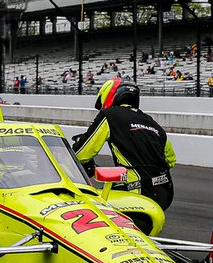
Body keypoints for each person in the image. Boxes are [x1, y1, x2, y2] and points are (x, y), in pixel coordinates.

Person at [72, 78, 177, 210]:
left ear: (108, 95)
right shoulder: (151, 121)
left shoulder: (108, 115)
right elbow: (171, 160)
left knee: (85, 209)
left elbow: (81, 154)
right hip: (164, 191)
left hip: (136, 191)